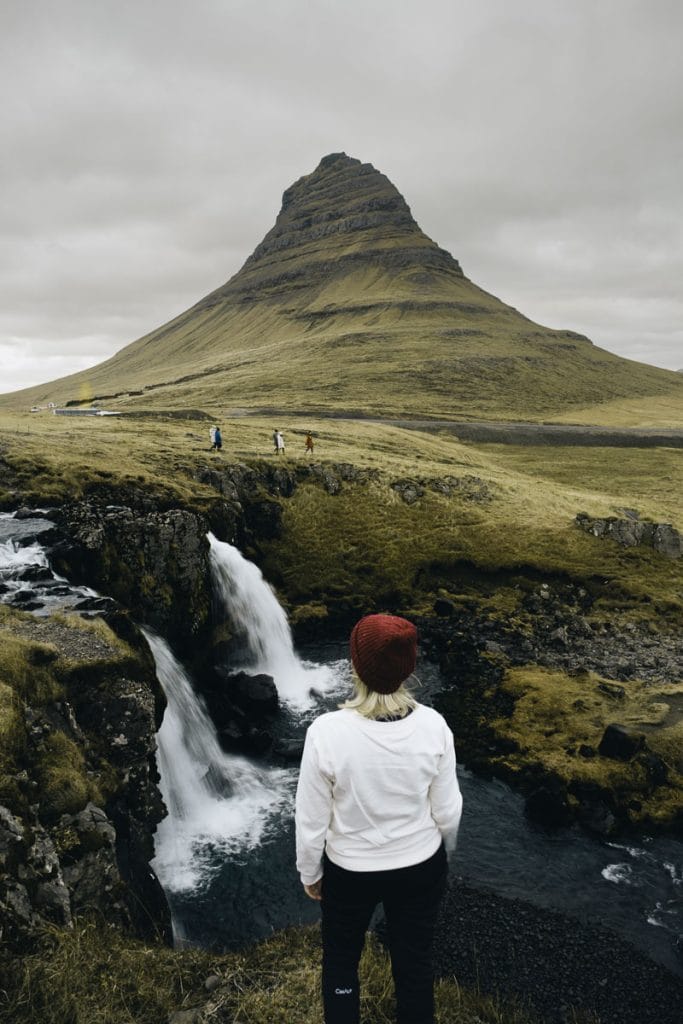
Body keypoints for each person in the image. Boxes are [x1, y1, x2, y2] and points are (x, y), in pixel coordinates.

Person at [295, 614, 463, 1024]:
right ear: (409, 667)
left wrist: (310, 873)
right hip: (420, 866)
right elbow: (448, 809)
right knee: (415, 965)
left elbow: (311, 819)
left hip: (350, 871)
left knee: (340, 962)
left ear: (355, 665)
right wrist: (445, 851)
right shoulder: (434, 727)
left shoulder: (326, 732)